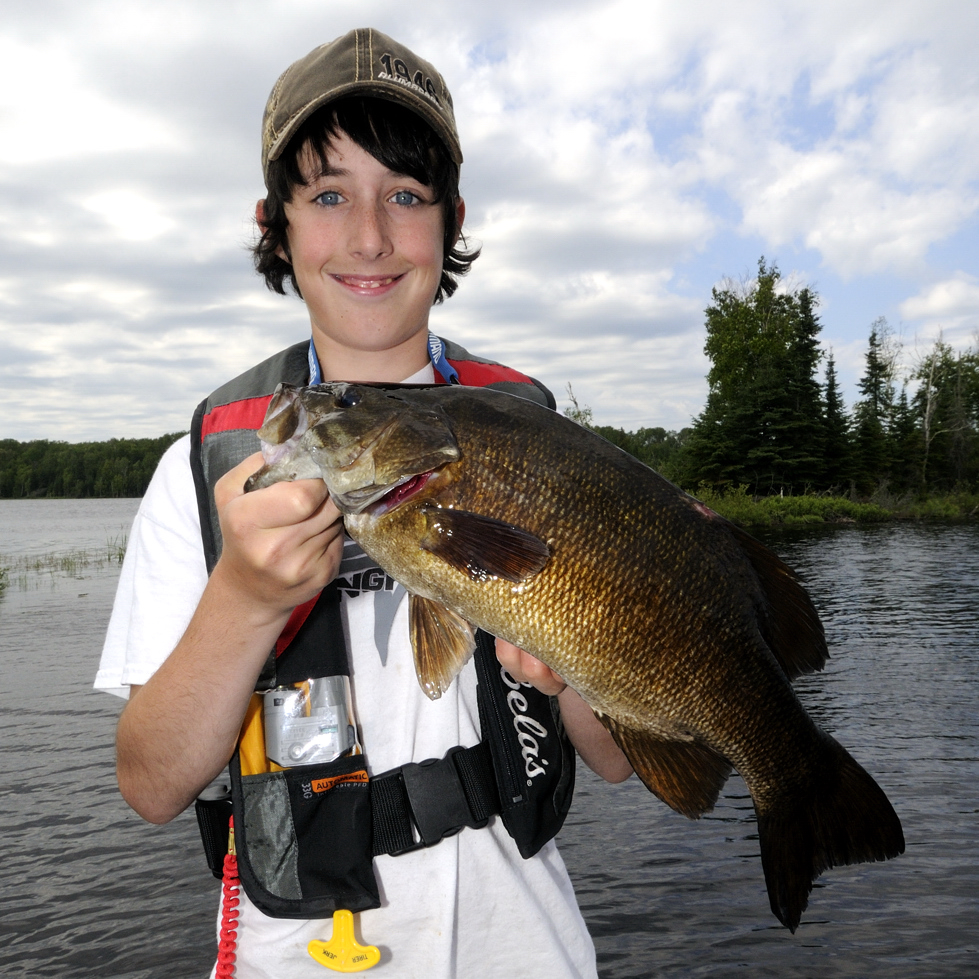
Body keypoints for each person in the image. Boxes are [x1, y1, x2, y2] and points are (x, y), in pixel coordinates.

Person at [96, 27, 631, 978]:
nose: (370, 237)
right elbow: (149, 782)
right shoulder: (204, 467)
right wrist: (245, 599)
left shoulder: (538, 445)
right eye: (330, 194)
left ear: (448, 218)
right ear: (278, 223)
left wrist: (570, 661)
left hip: (529, 946)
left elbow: (620, 755)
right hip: (295, 952)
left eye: (406, 196)